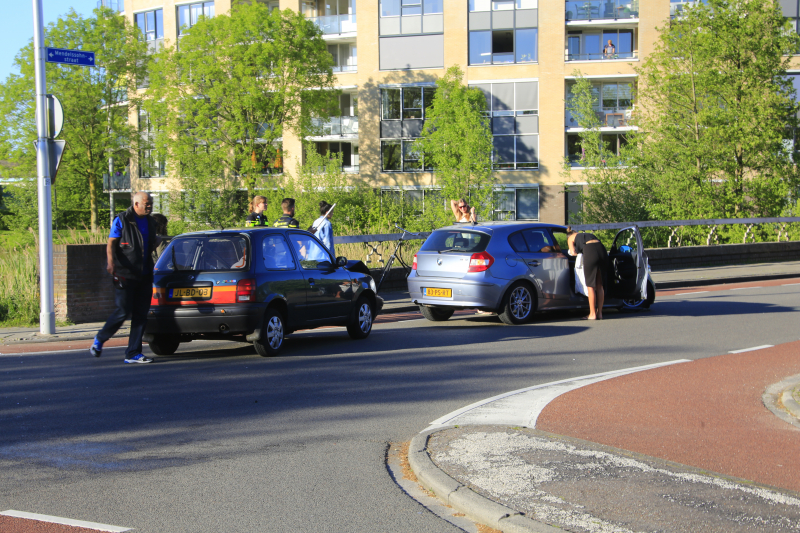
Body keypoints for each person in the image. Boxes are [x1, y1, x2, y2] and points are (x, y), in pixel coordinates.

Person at [90, 192, 160, 363]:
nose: (149, 207)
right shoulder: (122, 220)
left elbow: (148, 245)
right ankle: (100, 339)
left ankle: (133, 353)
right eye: (146, 204)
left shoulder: (151, 222)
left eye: (150, 203)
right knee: (123, 311)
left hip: (144, 273)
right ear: (136, 204)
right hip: (125, 272)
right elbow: (111, 243)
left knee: (141, 314)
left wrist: (155, 243)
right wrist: (110, 263)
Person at [567, 226, 608, 321]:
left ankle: (592, 314)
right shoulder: (587, 235)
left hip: (590, 252)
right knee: (599, 285)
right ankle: (600, 313)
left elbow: (573, 252)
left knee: (590, 286)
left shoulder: (570, 237)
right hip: (602, 250)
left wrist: (575, 251)